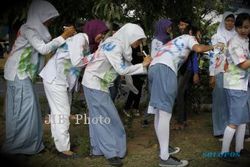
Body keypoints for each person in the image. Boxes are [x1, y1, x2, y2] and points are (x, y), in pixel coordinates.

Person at [1, 0, 76, 155]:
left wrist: (63, 38)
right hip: (18, 74)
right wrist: (63, 36)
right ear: (40, 16)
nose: (50, 21)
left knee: (29, 110)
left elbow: (45, 48)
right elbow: (43, 49)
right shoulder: (29, 29)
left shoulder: (35, 30)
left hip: (23, 75)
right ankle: (18, 146)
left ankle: (30, 145)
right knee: (22, 110)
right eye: (49, 18)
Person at [147, 25, 224, 166]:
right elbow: (199, 48)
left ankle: (164, 148)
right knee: (165, 113)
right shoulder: (189, 38)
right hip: (165, 69)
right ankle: (164, 158)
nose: (199, 38)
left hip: (154, 68)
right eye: (199, 34)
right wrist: (215, 45)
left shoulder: (176, 41)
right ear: (192, 33)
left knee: (159, 112)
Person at [82, 23, 152, 166]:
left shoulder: (115, 42)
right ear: (131, 36)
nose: (140, 44)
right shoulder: (116, 46)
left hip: (93, 83)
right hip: (94, 83)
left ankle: (97, 150)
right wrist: (143, 65)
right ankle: (112, 152)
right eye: (138, 40)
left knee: (97, 118)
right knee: (109, 118)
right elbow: (121, 70)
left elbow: (123, 66)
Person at [39, 21, 90, 158]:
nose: (102, 37)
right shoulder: (81, 38)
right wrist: (93, 56)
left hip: (54, 77)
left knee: (57, 113)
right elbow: (77, 61)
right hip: (56, 79)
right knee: (62, 113)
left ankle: (60, 145)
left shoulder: (77, 39)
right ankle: (64, 150)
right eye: (101, 34)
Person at [220, 13, 250, 161]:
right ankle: (224, 152)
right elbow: (243, 64)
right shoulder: (234, 42)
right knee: (234, 121)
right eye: (240, 27)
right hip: (235, 85)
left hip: (242, 85)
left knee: (242, 119)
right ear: (237, 27)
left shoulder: (245, 41)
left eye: (247, 27)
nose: (243, 30)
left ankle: (240, 149)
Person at [209, 12, 236, 139]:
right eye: (227, 20)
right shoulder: (216, 36)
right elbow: (212, 56)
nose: (230, 23)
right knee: (219, 101)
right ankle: (219, 130)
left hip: (234, 72)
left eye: (232, 21)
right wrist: (212, 74)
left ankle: (235, 129)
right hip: (219, 71)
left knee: (234, 101)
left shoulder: (239, 35)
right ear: (223, 21)